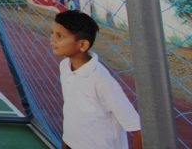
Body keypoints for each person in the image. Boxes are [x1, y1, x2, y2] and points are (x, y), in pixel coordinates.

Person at [51, 10, 142, 149]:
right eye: (52, 33)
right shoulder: (65, 66)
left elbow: (137, 127)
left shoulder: (101, 80)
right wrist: (66, 142)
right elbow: (71, 110)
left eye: (60, 36)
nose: (52, 39)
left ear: (82, 45)